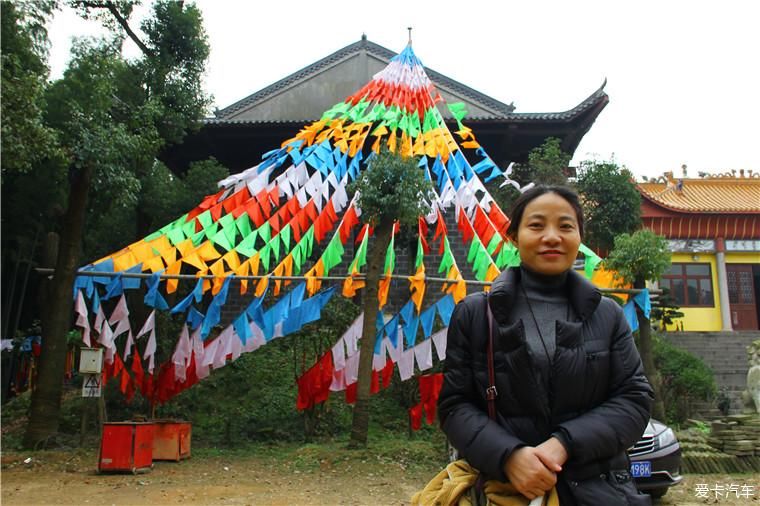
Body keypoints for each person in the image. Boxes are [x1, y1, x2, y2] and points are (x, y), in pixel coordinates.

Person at [438, 185, 654, 505]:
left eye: (566, 226)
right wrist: (509, 456)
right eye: (536, 225)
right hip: (505, 490)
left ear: (580, 236)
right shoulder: (475, 314)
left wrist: (564, 443)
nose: (551, 236)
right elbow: (455, 405)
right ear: (514, 235)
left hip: (600, 491)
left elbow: (634, 399)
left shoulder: (606, 314)